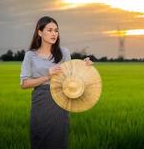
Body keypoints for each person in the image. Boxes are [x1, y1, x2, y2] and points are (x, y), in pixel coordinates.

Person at [20, 16, 93, 149]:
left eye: (56, 30)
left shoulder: (63, 52)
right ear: (40, 32)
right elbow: (24, 84)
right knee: (39, 138)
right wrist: (48, 76)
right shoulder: (30, 55)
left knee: (59, 140)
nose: (54, 34)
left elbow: (71, 77)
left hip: (60, 100)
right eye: (50, 30)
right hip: (41, 101)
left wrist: (84, 65)